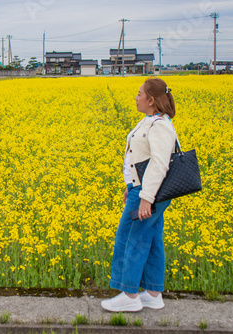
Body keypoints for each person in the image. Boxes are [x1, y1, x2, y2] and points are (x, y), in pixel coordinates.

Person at [101, 78, 177, 312]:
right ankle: (153, 293)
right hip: (142, 189)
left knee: (129, 237)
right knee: (151, 238)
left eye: (139, 94)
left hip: (150, 192)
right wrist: (130, 185)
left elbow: (160, 163)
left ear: (151, 100)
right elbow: (139, 157)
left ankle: (130, 295)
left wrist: (145, 197)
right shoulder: (150, 121)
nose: (136, 97)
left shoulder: (160, 125)